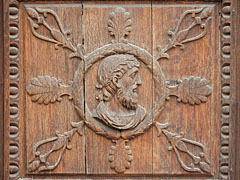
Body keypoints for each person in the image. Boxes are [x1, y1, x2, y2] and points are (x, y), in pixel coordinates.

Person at [93, 54, 146, 130]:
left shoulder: (140, 113)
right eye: (133, 75)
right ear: (116, 80)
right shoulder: (99, 114)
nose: (139, 82)